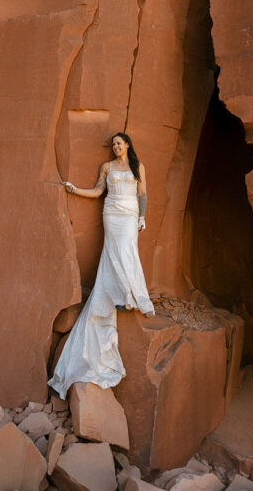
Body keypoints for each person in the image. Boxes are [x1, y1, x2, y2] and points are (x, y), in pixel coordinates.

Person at [48, 132, 155, 399]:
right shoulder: (106, 167)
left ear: (128, 145)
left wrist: (142, 217)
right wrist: (75, 189)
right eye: (114, 144)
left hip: (129, 214)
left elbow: (142, 193)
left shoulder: (137, 166)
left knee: (126, 249)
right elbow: (98, 191)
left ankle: (130, 295)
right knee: (113, 252)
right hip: (111, 212)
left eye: (120, 143)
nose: (116, 146)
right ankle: (119, 296)